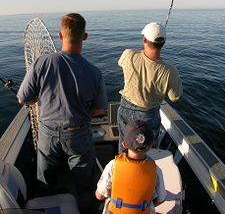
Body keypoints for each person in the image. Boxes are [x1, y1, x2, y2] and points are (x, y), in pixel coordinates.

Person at [17, 13, 108, 214]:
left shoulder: (41, 63)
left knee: (45, 178)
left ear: (59, 35)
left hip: (48, 133)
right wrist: (83, 113)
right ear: (85, 37)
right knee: (84, 182)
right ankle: (86, 209)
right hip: (79, 133)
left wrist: (37, 100)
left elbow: (23, 98)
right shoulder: (94, 72)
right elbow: (100, 109)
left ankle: (46, 206)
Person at [117, 22, 183, 151]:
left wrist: (140, 53)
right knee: (147, 150)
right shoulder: (170, 71)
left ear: (145, 40)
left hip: (125, 108)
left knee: (124, 145)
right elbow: (175, 98)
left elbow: (121, 62)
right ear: (163, 43)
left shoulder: (129, 54)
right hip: (148, 114)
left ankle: (123, 167)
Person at [95, 120, 166, 214]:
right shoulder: (156, 170)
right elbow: (161, 199)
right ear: (150, 145)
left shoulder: (113, 165)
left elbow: (99, 196)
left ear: (123, 144)